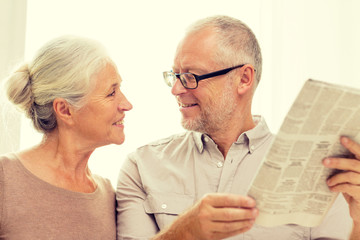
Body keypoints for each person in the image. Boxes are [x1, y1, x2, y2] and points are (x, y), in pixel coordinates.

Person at [116, 15, 360, 239]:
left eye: (191, 76)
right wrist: (185, 232)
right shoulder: (142, 166)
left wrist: (358, 222)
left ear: (244, 79)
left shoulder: (316, 169)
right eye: (175, 75)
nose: (176, 89)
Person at [0, 35, 132, 239]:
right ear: (65, 110)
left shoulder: (108, 195)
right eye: (111, 93)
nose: (126, 104)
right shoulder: (4, 179)